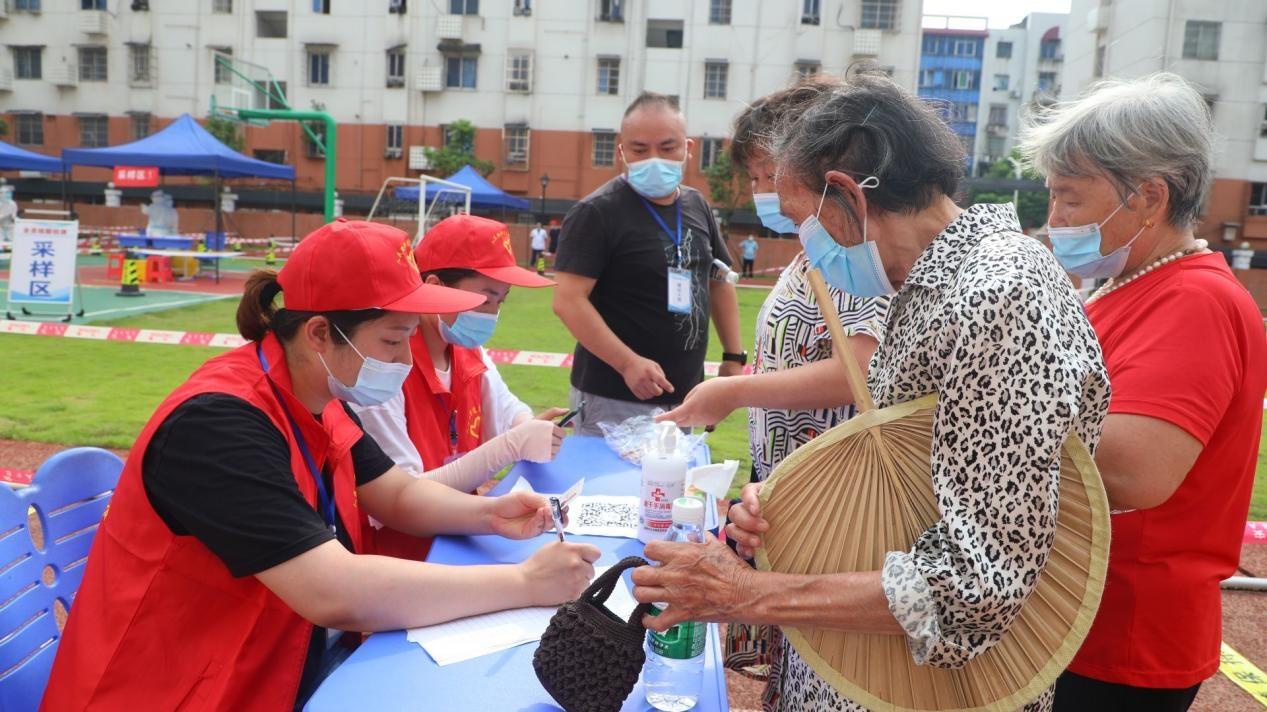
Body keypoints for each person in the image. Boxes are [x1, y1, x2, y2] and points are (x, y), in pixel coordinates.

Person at [632, 73, 1110, 712]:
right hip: (867, 658)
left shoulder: (1000, 297)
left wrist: (749, 595)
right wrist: (789, 501)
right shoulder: (933, 285)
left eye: (806, 221)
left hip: (922, 687)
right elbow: (901, 478)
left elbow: (976, 582)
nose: (805, 246)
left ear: (849, 196)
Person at [41, 219, 601, 711]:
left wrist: (492, 514)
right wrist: (525, 582)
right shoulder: (218, 427)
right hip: (177, 690)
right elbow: (333, 590)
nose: (406, 361)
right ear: (318, 335)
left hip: (269, 666)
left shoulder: (319, 399)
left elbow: (397, 496)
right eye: (392, 340)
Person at [1019, 73, 1267, 712]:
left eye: (1070, 198)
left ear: (1150, 197)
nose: (1055, 219)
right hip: (1082, 617)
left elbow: (1134, 472)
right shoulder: (1127, 284)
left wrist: (991, 407)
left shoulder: (1195, 300)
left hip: (1123, 636)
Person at [658, 77, 890, 695]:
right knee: (794, 662)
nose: (762, 192)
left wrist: (736, 391)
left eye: (767, 175)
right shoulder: (812, 247)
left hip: (836, 506)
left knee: (828, 667)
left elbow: (861, 370)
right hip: (789, 495)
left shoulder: (849, 250)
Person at [353, 214, 568, 560]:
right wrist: (510, 446)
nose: (492, 313)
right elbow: (401, 497)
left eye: (501, 301)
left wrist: (528, 426)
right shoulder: (385, 370)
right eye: (485, 299)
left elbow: (508, 408)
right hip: (403, 553)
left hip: (461, 533)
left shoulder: (467, 349)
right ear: (435, 286)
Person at [552, 91, 745, 435]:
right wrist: (627, 363)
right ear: (622, 151)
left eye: (667, 147)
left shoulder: (696, 205)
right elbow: (568, 300)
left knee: (670, 486)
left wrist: (734, 357)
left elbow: (718, 280)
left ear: (688, 148)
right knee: (613, 489)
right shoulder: (596, 212)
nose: (654, 159)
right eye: (640, 150)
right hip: (612, 397)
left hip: (684, 395)